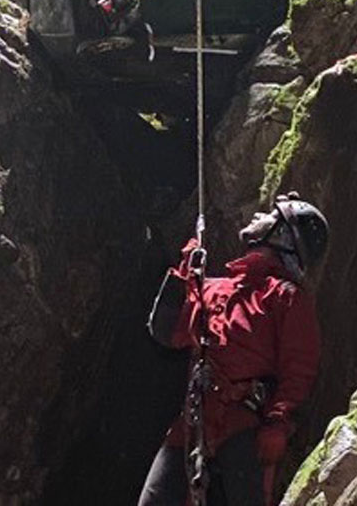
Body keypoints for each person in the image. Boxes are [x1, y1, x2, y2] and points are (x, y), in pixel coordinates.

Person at [138, 193, 328, 506]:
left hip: (242, 427)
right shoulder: (215, 288)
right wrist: (184, 274)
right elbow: (168, 333)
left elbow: (300, 368)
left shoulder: (285, 297)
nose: (257, 217)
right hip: (194, 422)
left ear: (282, 235)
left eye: (270, 215)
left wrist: (278, 422)